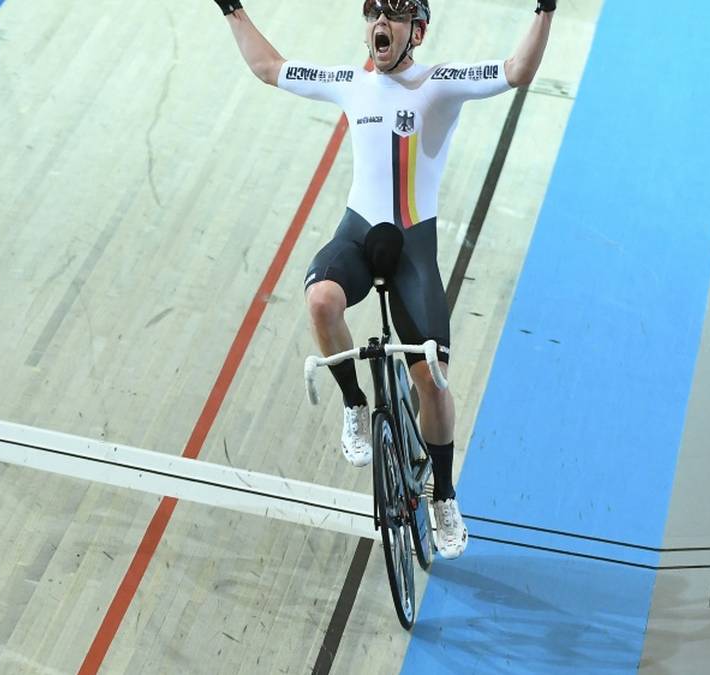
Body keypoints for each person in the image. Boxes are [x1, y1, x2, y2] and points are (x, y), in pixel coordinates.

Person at [213, 0, 554, 558]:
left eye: (394, 16)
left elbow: (518, 71)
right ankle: (355, 403)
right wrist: (231, 9)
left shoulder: (439, 85)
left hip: (413, 251)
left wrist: (545, 9)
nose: (380, 23)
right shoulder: (351, 84)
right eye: (374, 12)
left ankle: (444, 495)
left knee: (433, 382)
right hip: (358, 234)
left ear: (416, 32)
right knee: (321, 301)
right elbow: (268, 67)